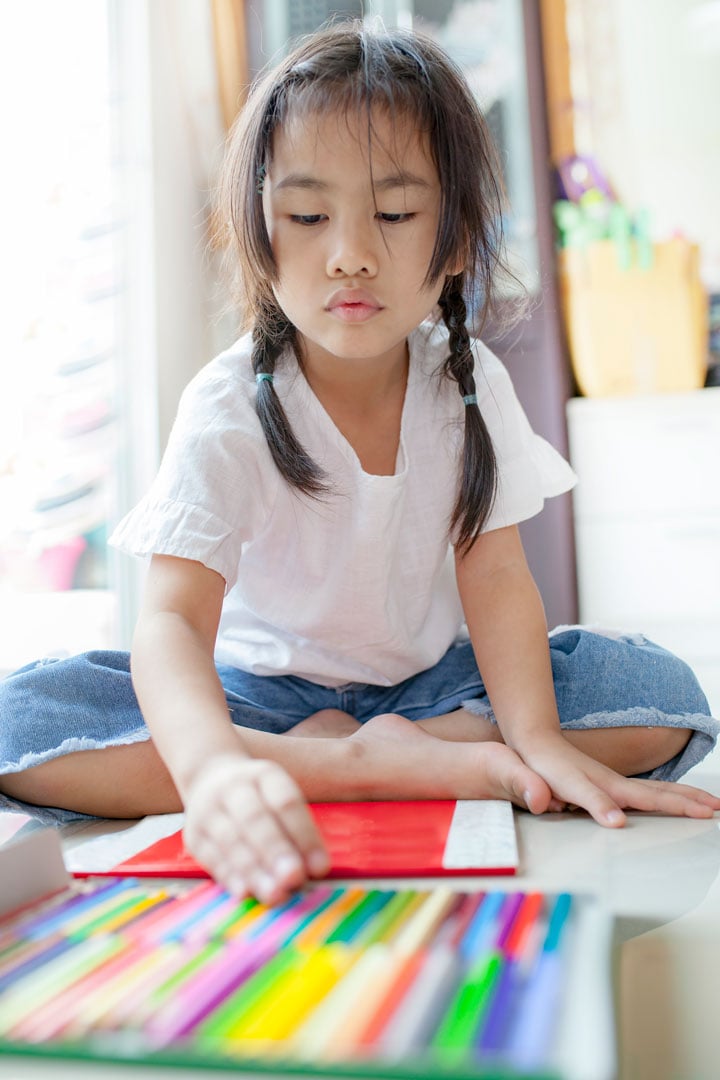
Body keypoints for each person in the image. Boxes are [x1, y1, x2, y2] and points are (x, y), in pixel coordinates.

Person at [1, 23, 718, 906]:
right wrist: (216, 771)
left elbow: (495, 577)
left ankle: (417, 751)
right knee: (24, 720)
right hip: (256, 700)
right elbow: (173, 627)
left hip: (433, 690)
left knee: (659, 690)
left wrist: (537, 738)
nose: (350, 251)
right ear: (259, 233)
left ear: (455, 240)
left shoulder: (468, 383)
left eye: (395, 212)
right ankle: (365, 766)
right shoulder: (228, 406)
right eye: (308, 217)